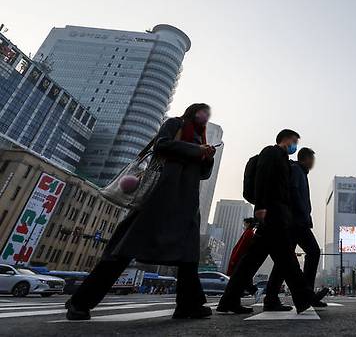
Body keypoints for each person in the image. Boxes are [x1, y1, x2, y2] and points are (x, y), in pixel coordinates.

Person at [65, 103, 216, 320]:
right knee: (126, 248)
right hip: (161, 195)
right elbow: (162, 146)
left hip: (187, 201)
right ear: (193, 112)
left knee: (188, 254)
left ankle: (188, 305)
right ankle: (80, 302)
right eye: (203, 112)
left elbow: (203, 174)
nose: (205, 116)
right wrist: (196, 150)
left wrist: (207, 156)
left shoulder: (201, 139)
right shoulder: (175, 124)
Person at [217, 130, 325, 314]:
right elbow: (263, 180)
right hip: (273, 214)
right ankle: (304, 297)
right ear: (285, 139)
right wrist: (260, 207)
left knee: (252, 261)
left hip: (276, 215)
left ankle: (229, 300)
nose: (295, 145)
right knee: (287, 260)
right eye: (294, 141)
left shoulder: (282, 159)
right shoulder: (271, 152)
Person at [264, 147, 327, 310]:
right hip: (297, 222)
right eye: (312, 159)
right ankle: (307, 294)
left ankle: (272, 298)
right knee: (313, 251)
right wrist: (303, 215)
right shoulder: (297, 170)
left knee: (284, 261)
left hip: (293, 221)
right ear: (306, 159)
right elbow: (294, 193)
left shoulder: (299, 171)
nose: (313, 163)